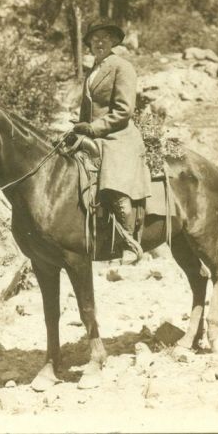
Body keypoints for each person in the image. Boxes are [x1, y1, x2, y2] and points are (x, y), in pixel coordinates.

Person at [72, 20, 152, 261]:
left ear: (113, 42)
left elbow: (124, 110)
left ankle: (129, 242)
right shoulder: (92, 70)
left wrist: (94, 128)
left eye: (105, 38)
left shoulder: (122, 67)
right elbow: (86, 111)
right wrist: (77, 128)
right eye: (94, 38)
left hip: (119, 137)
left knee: (113, 182)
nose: (99, 42)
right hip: (93, 135)